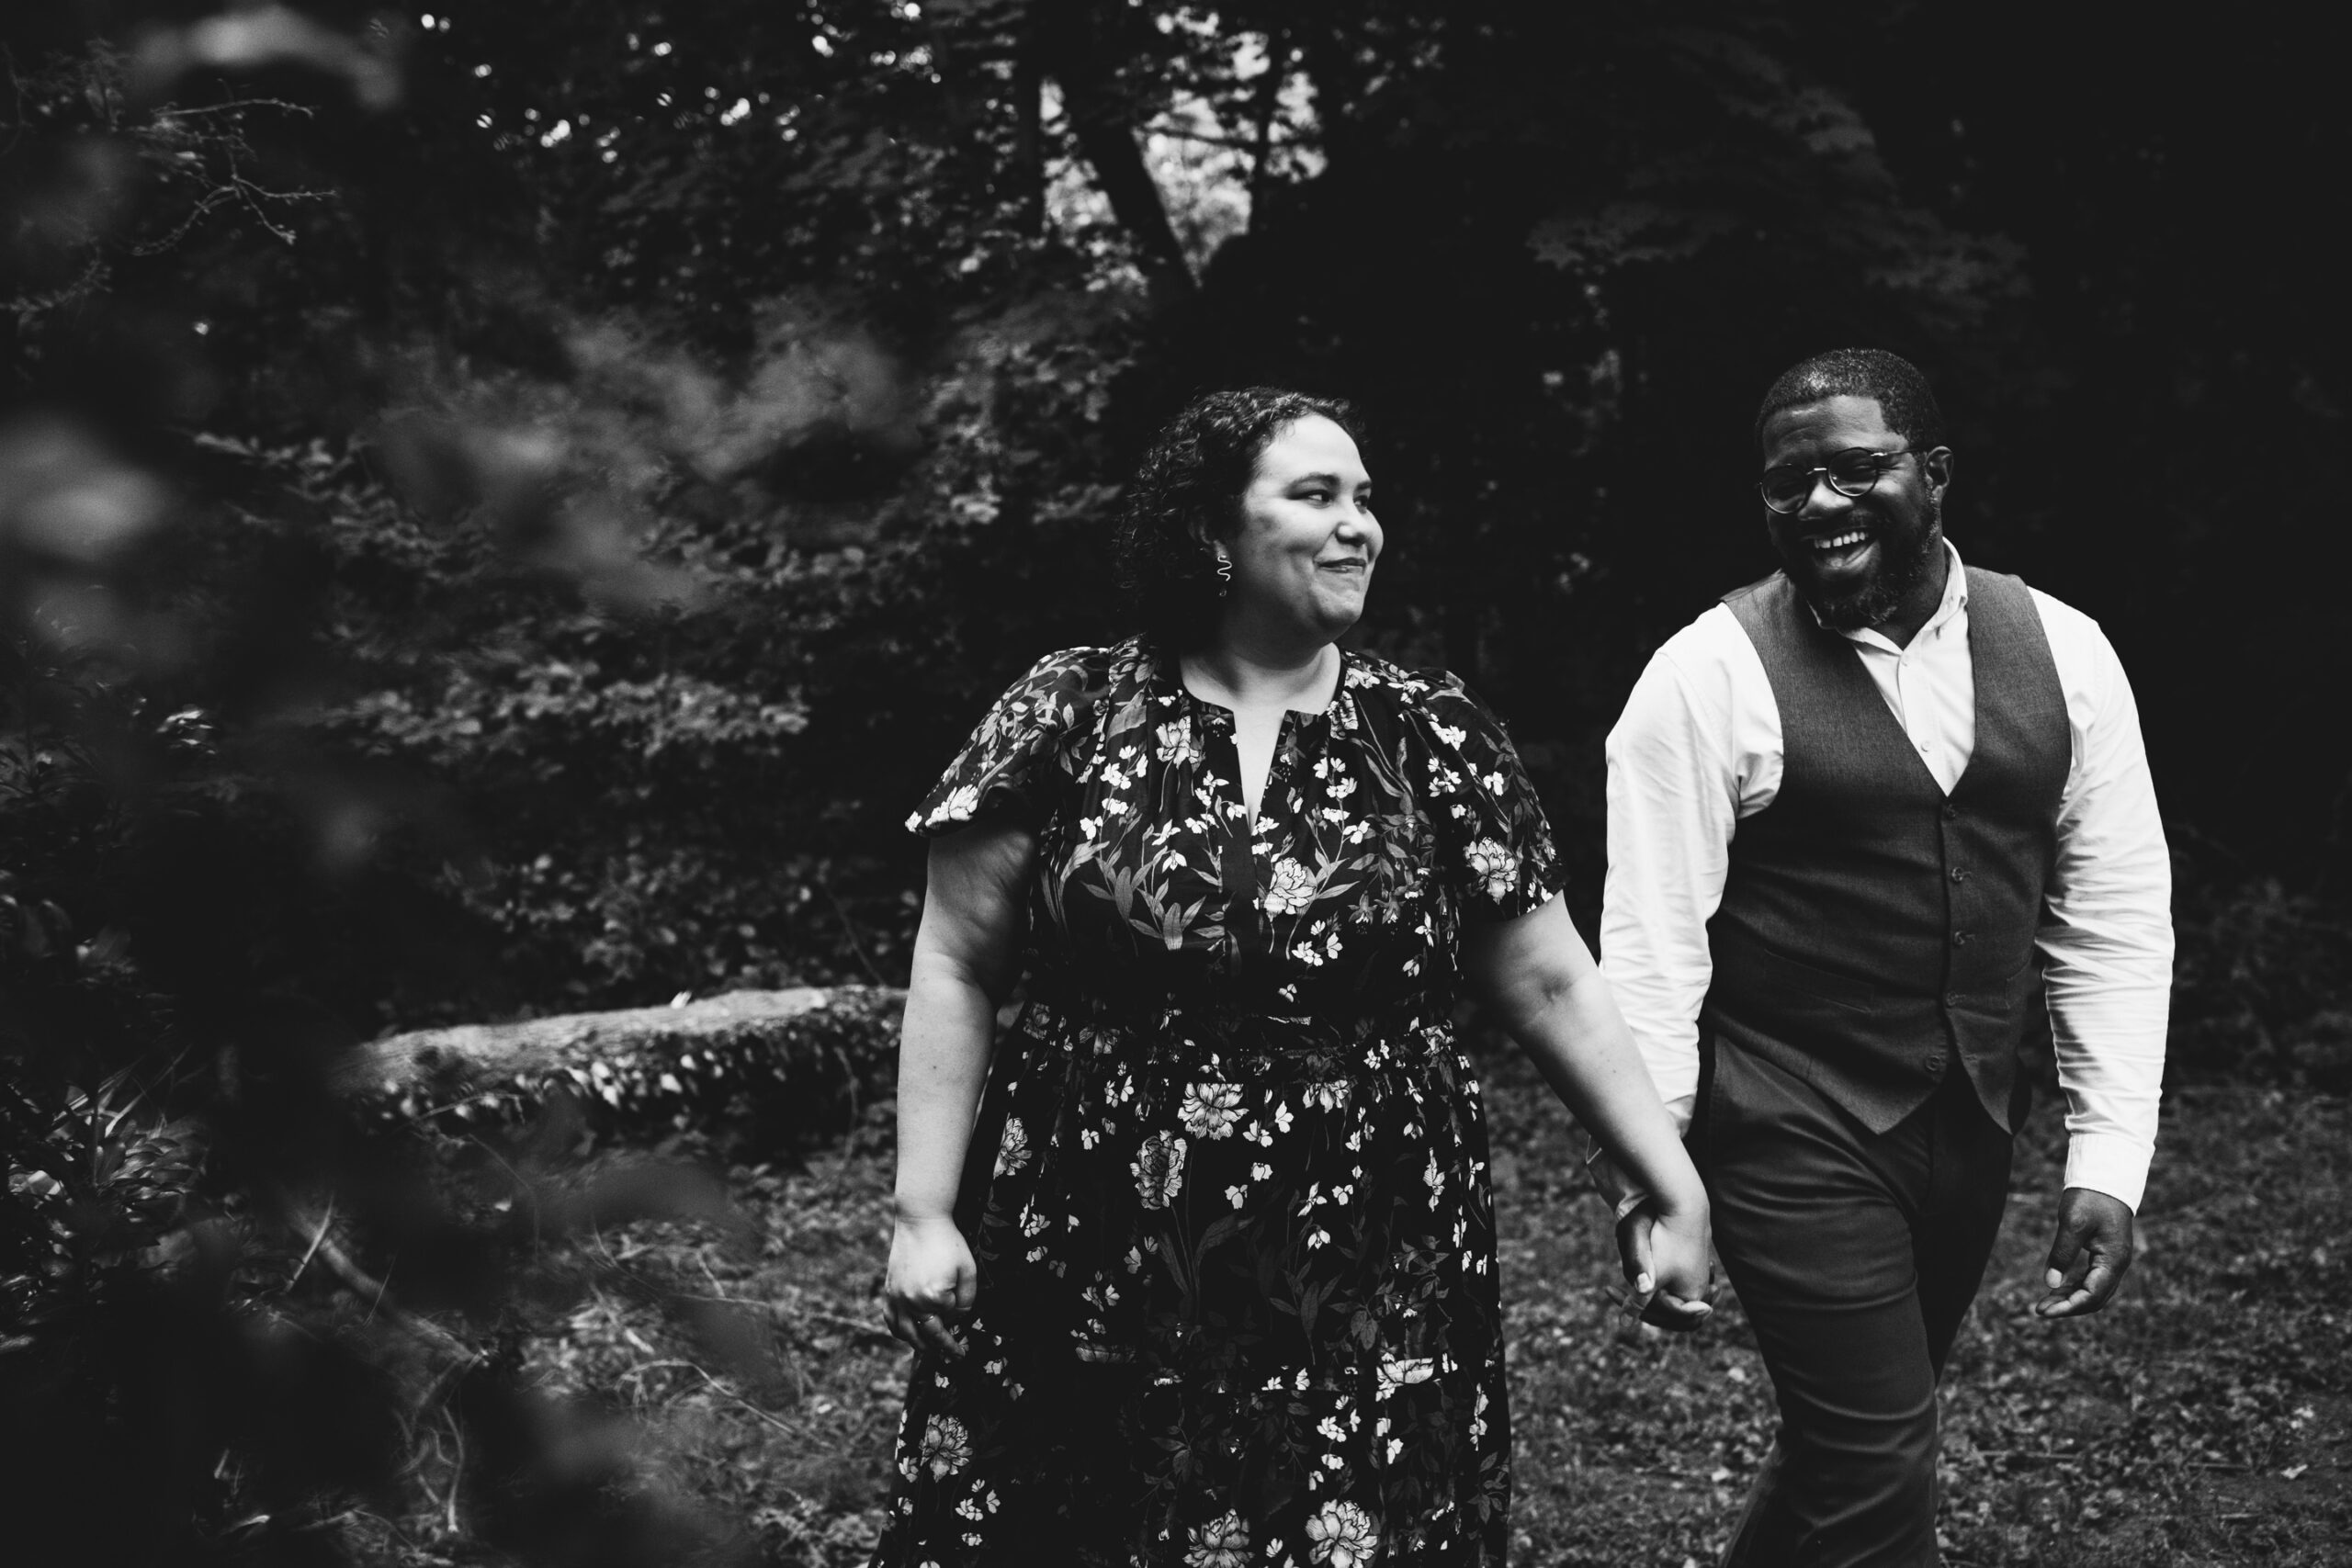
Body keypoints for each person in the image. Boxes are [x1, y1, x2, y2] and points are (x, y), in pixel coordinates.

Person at [873, 388, 1711, 1566]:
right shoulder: (1068, 712)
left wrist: (1667, 1179)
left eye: (1365, 498)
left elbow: (1551, 983)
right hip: (1090, 1232)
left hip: (1361, 1243)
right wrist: (921, 1211)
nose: (1357, 523)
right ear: (1211, 532)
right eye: (1315, 495)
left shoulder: (1429, 732)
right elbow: (957, 960)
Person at [1598, 348, 2174, 1566]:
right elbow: (1651, 949)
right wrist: (1656, 1173)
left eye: (1855, 470)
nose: (1817, 503)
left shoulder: (2066, 652)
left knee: (1846, 1441)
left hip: (1967, 1121)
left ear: (1937, 471)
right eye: (1787, 483)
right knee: (1873, 1455)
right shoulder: (1703, 676)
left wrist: (2111, 1154)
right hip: (1785, 1118)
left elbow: (2114, 907)